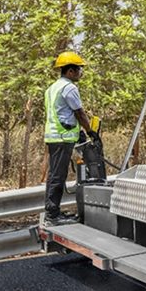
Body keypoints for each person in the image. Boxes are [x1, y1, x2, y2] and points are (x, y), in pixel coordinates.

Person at [41, 51, 94, 227]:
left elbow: (61, 113)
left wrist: (79, 133)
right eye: (79, 69)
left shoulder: (52, 88)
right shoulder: (69, 88)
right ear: (70, 71)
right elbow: (79, 112)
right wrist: (91, 131)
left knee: (55, 174)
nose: (81, 73)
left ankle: (52, 211)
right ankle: (52, 215)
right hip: (62, 138)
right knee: (58, 175)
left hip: (54, 136)